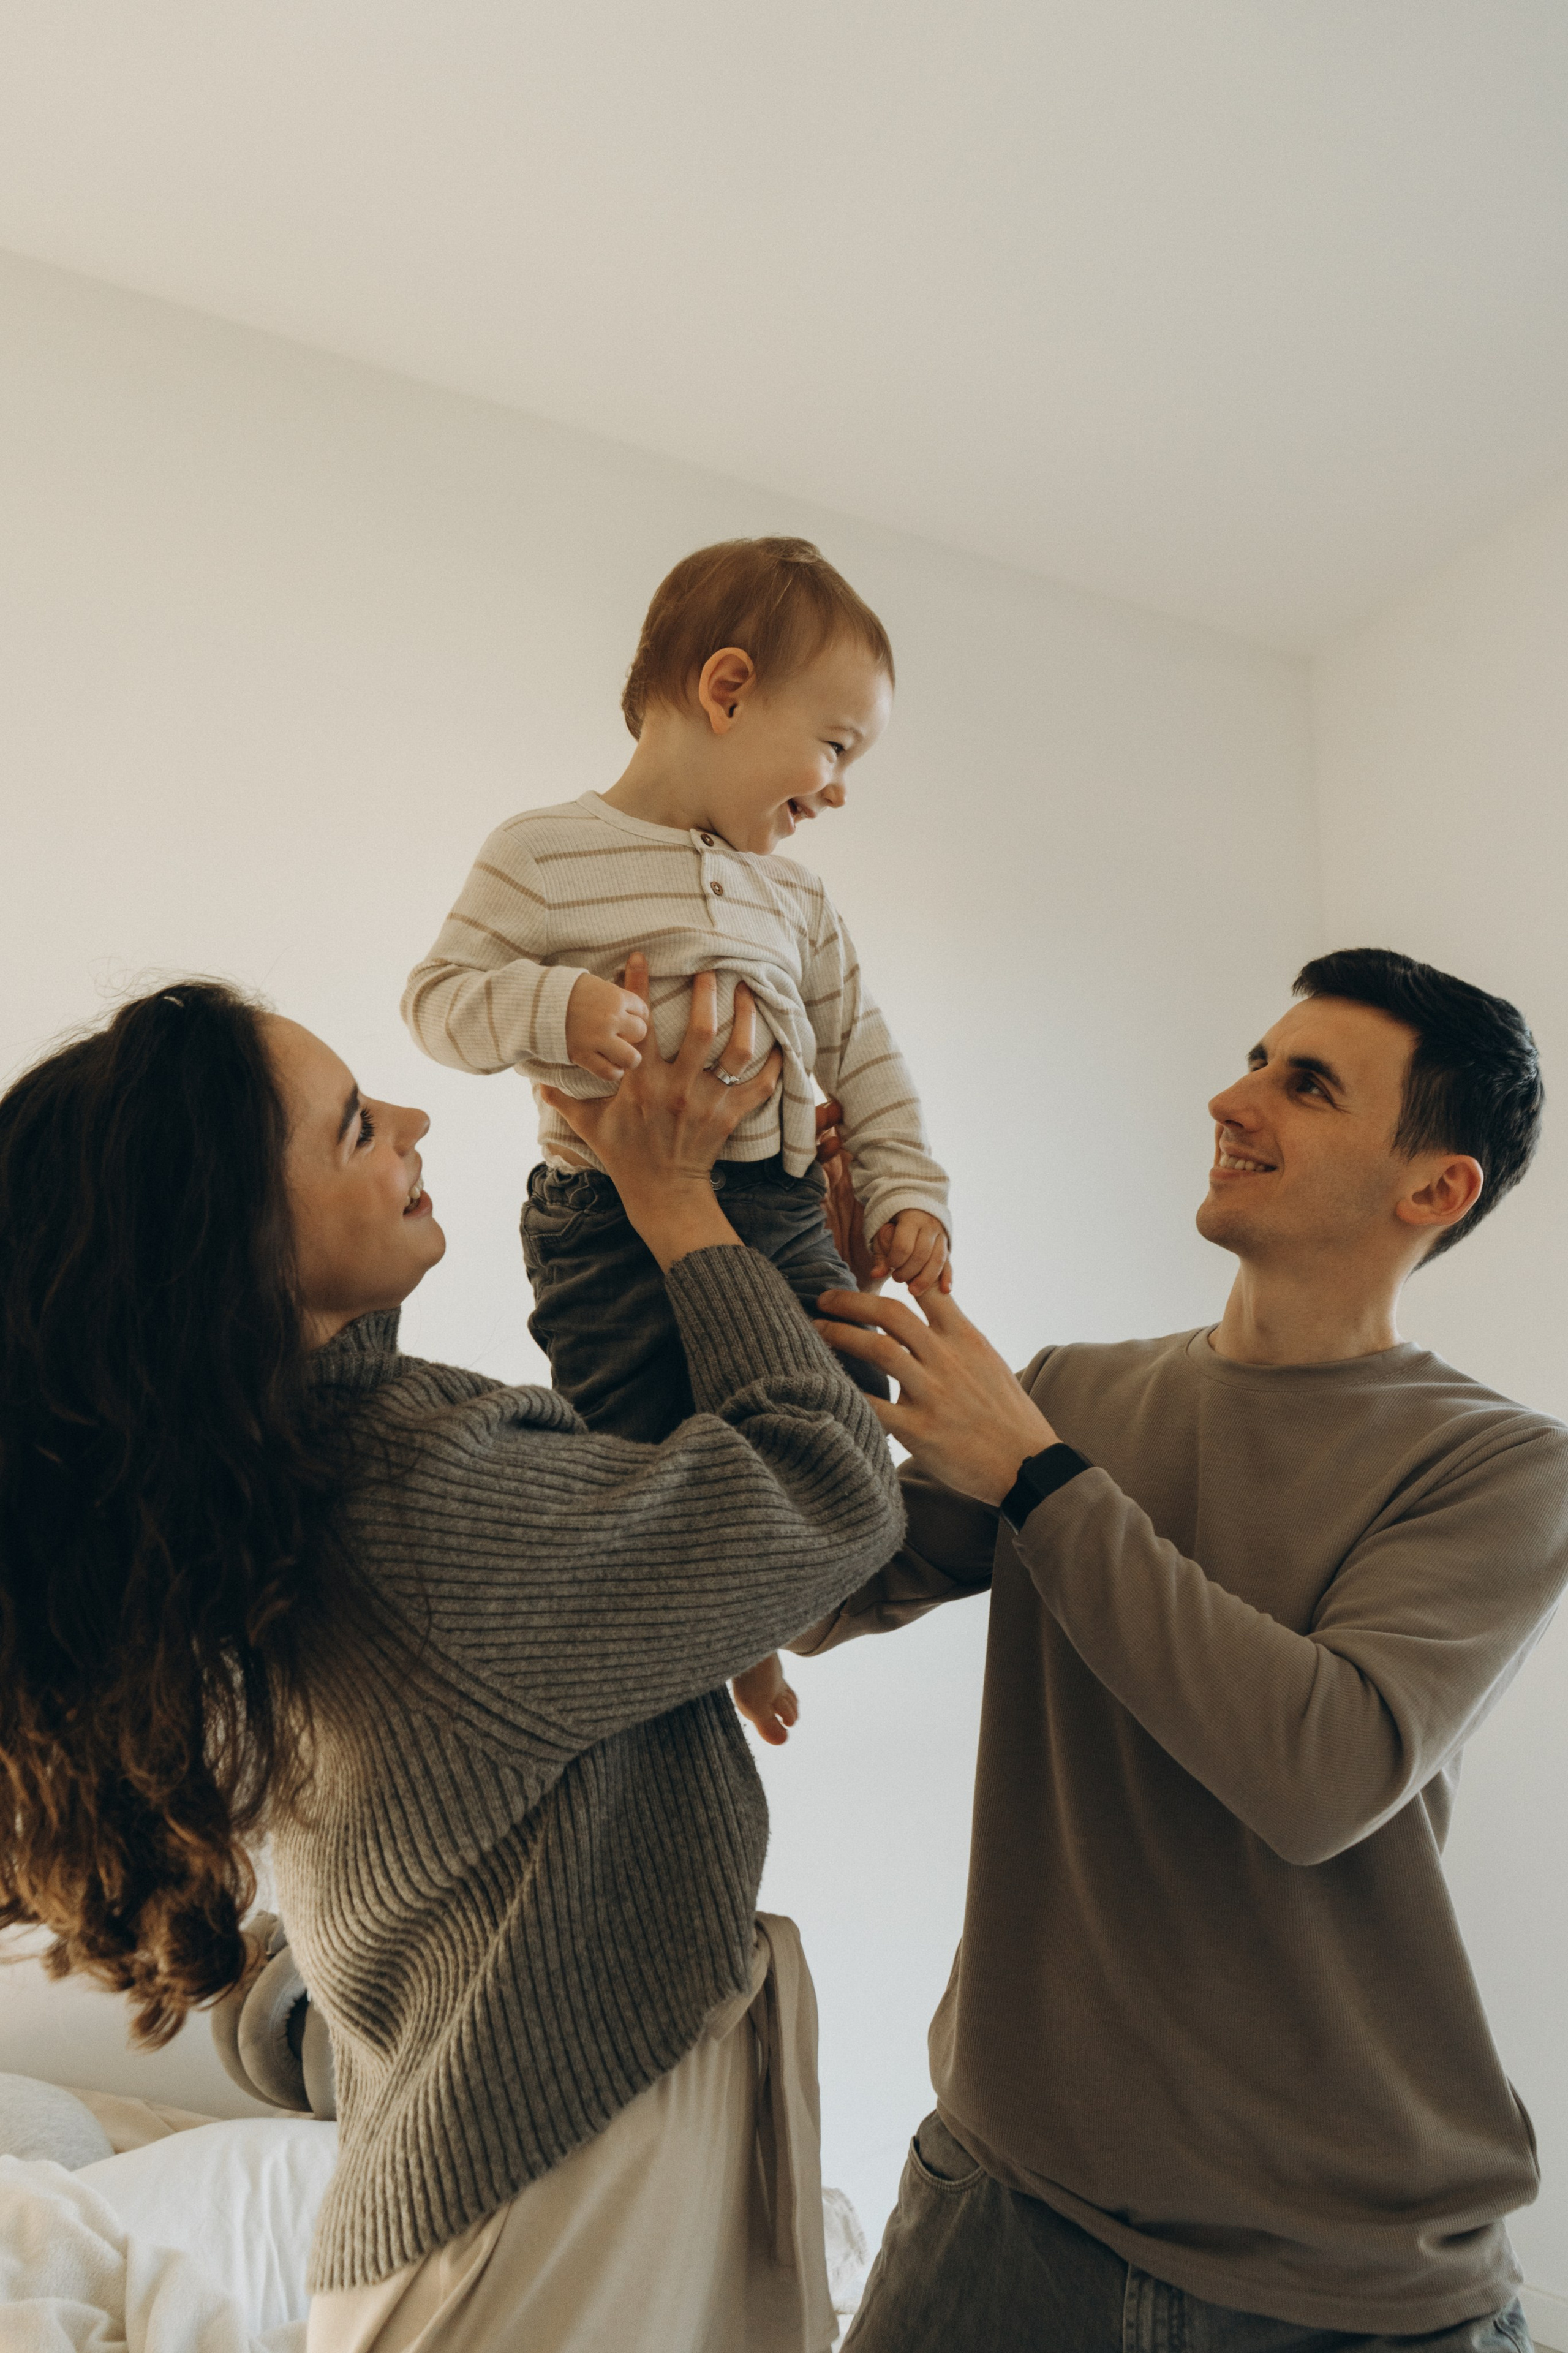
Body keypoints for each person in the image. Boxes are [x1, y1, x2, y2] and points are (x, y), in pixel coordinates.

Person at [0, 970, 903, 2353]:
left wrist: (781, 1272)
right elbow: (828, 1488)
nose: (414, 1121)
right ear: (242, 1247)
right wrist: (676, 1202)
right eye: (358, 1126)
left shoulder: (293, 1486)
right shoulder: (416, 1500)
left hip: (521, 2204)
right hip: (548, 2229)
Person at [793, 947, 1566, 2352]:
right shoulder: (1074, 1395)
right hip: (1005, 2209)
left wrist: (1038, 1477)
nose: (1230, 1099)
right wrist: (811, 1302)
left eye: (1306, 1085)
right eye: (1254, 1060)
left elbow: (1318, 1773)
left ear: (1434, 1189)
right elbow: (805, 1589)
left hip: (1348, 2283)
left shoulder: (1500, 1467)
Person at [399, 535, 951, 1742]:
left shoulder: (797, 899)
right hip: (603, 1223)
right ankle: (708, 1653)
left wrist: (908, 1191)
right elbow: (436, 1000)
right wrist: (555, 1006)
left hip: (781, 1209)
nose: (839, 790)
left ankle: (755, 1624)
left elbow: (866, 1057)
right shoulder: (541, 853)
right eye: (835, 746)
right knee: (632, 1457)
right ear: (727, 689)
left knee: (839, 1428)